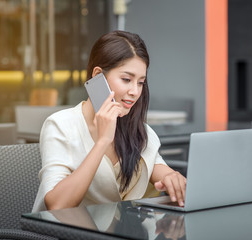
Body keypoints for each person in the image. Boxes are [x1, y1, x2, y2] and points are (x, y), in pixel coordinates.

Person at [32, 30, 186, 213]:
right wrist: (103, 141)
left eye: (140, 82)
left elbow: (155, 167)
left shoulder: (137, 128)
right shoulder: (61, 125)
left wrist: (172, 177)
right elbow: (58, 205)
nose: (135, 91)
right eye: (126, 79)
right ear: (98, 75)